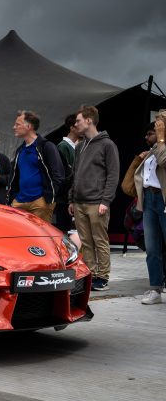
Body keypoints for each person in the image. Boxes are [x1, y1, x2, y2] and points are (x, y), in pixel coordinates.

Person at [69, 105, 120, 291]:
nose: (75, 124)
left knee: (100, 240)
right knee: (86, 241)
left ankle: (103, 277)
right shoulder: (80, 146)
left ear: (89, 120)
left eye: (78, 121)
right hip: (80, 202)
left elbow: (113, 175)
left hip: (97, 202)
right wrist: (71, 199)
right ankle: (90, 274)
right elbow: (75, 173)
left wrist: (105, 201)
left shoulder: (107, 144)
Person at [121, 118, 166, 304]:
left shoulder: (161, 149)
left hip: (163, 200)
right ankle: (155, 288)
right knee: (152, 247)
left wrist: (161, 140)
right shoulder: (149, 153)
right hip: (148, 200)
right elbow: (129, 185)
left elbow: (164, 161)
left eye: (152, 132)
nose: (148, 136)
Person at [7, 110, 64, 222]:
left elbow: (58, 174)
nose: (14, 127)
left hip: (39, 202)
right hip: (19, 201)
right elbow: (15, 176)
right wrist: (13, 198)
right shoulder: (20, 150)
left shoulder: (46, 147)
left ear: (28, 126)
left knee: (39, 237)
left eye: (18, 124)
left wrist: (47, 199)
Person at [55, 114, 81, 232]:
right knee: (63, 230)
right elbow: (64, 173)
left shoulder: (76, 147)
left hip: (73, 196)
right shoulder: (63, 147)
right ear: (72, 127)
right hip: (64, 197)